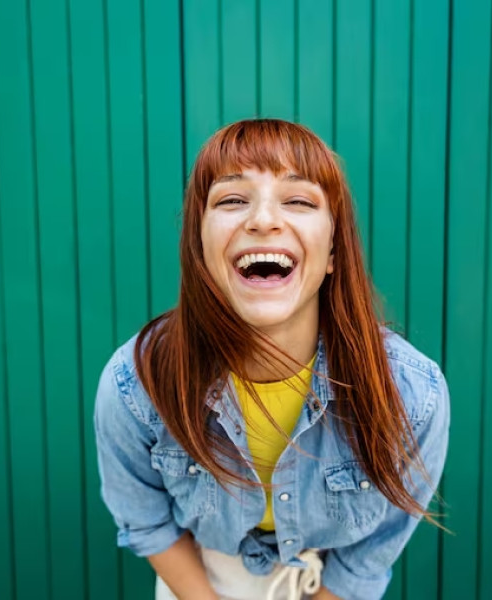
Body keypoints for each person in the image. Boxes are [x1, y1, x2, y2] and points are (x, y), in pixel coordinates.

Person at [94, 119, 450, 600]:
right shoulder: (135, 384)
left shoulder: (413, 395)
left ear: (331, 252)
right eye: (232, 200)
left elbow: (371, 555)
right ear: (199, 245)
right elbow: (145, 519)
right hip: (196, 581)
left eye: (299, 201)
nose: (263, 219)